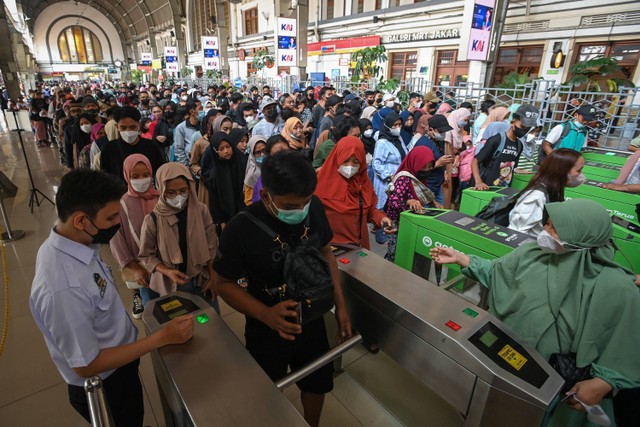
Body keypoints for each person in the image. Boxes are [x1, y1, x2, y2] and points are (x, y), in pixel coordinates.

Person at [430, 198, 640, 427]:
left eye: (555, 229)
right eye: (547, 223)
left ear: (583, 238)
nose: (545, 232)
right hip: (507, 355)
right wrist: (463, 259)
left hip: (559, 388)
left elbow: (624, 344)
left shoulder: (618, 288)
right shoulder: (533, 252)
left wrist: (602, 383)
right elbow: (498, 272)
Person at [30, 169, 194, 426]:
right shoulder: (64, 288)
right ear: (81, 220)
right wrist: (160, 338)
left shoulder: (78, 243)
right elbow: (86, 365)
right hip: (104, 383)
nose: (117, 224)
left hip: (121, 364)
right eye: (111, 217)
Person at [214, 151, 353, 427]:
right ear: (265, 195)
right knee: (266, 389)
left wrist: (341, 306)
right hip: (267, 327)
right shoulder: (241, 228)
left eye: (304, 202)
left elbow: (326, 254)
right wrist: (265, 314)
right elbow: (222, 284)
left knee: (317, 382)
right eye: (290, 205)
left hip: (312, 317)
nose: (299, 211)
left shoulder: (312, 208)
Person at [138, 163, 219, 309]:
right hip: (173, 284)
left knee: (211, 321)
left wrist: (213, 277)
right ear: (161, 190)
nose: (179, 197)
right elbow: (146, 256)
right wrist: (167, 271)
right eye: (171, 192)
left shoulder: (201, 211)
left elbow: (211, 246)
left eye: (183, 191)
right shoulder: (153, 220)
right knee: (183, 325)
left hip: (202, 277)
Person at [316, 136, 394, 250]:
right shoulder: (321, 183)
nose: (350, 166)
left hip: (357, 248)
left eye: (356, 162)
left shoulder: (363, 183)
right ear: (338, 157)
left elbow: (370, 210)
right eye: (346, 160)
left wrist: (381, 218)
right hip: (328, 250)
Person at [109, 154, 159, 318]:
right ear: (126, 176)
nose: (141, 180)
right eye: (135, 176)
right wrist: (135, 268)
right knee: (151, 306)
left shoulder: (160, 197)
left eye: (146, 175)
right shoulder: (121, 204)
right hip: (141, 267)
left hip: (164, 264)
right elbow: (117, 240)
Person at [509, 149, 585, 237]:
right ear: (562, 171)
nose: (581, 175)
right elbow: (516, 233)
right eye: (578, 170)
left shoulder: (554, 190)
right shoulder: (536, 197)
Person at [384, 147, 437, 261]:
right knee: (396, 255)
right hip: (399, 226)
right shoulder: (404, 178)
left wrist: (434, 202)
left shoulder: (418, 176)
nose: (427, 170)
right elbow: (393, 201)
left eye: (430, 167)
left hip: (411, 224)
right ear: (415, 163)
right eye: (424, 166)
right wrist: (409, 201)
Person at [473, 104, 539, 190]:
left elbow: (512, 166)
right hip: (487, 188)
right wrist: (478, 181)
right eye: (522, 127)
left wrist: (517, 170)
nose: (523, 131)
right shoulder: (497, 140)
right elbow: (475, 161)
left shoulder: (519, 145)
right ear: (512, 122)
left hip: (503, 190)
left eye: (527, 129)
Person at [100, 106, 164, 181]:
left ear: (139, 126)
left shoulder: (151, 146)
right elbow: (105, 176)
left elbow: (159, 172)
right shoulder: (109, 148)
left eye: (132, 127)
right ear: (117, 127)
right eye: (123, 128)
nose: (128, 131)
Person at [372, 112, 407, 244]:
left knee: (394, 206)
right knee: (384, 206)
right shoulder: (382, 142)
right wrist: (389, 175)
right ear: (387, 126)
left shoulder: (399, 139)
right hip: (386, 181)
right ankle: (381, 233)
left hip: (399, 180)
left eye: (399, 125)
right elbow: (376, 163)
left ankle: (391, 231)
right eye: (395, 125)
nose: (398, 128)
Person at [205, 132, 248, 231]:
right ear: (215, 151)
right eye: (221, 149)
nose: (226, 151)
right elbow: (215, 202)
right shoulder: (214, 174)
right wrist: (223, 224)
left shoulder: (243, 162)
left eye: (228, 147)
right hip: (227, 217)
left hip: (246, 212)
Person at [244, 135, 268, 205]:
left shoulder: (274, 166)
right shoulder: (251, 176)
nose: (262, 154)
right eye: (258, 152)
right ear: (252, 154)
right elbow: (248, 202)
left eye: (264, 150)